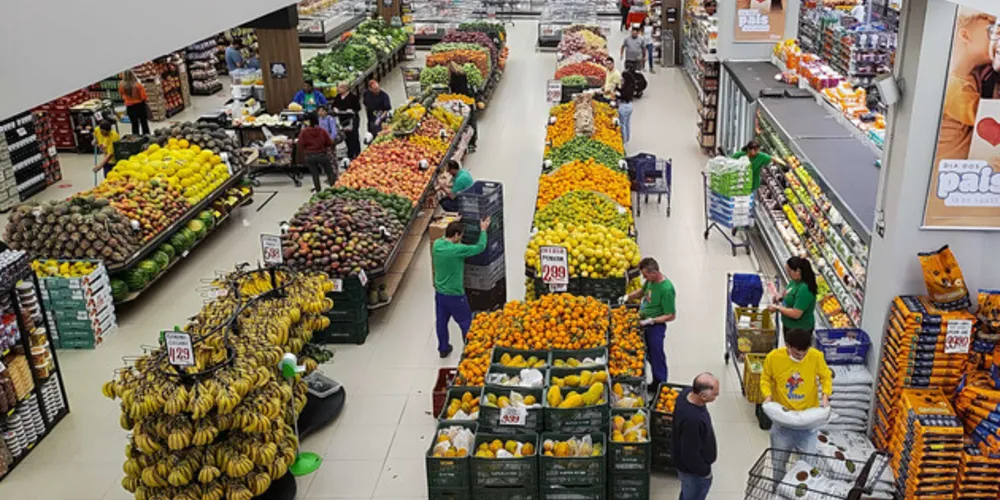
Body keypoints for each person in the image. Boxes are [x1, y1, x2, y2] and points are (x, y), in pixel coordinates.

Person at [760, 328, 832, 484]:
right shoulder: (774, 358)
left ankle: (803, 493)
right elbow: (765, 378)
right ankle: (778, 489)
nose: (801, 357)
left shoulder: (816, 356)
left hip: (807, 423)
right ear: (787, 346)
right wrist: (768, 396)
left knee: (809, 465)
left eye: (804, 353)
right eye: (797, 354)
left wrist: (825, 397)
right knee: (778, 463)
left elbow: (826, 377)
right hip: (782, 421)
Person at [934, 11, 996, 165]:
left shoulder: (974, 74)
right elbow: (981, 115)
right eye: (990, 32)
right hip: (941, 173)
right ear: (965, 35)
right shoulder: (951, 84)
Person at [432, 217, 491, 357]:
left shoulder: (437, 244)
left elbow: (444, 236)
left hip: (440, 293)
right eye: (461, 235)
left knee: (441, 322)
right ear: (457, 235)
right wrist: (483, 230)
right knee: (466, 322)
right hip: (455, 294)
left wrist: (455, 223)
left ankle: (443, 348)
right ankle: (471, 351)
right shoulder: (457, 250)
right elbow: (479, 247)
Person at [620, 257, 676, 388]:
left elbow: (671, 315)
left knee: (656, 354)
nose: (645, 279)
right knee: (648, 354)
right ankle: (656, 380)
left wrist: (652, 321)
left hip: (655, 326)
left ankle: (661, 383)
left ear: (654, 273)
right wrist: (628, 297)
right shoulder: (651, 281)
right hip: (643, 321)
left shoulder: (667, 289)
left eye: (646, 275)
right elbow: (642, 291)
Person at [673, 373, 719, 500]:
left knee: (686, 492)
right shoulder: (692, 420)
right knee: (693, 494)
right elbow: (689, 454)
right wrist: (704, 472)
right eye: (715, 394)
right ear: (703, 396)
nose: (717, 396)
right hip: (693, 472)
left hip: (687, 466)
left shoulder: (686, 394)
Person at [768, 256, 818, 332]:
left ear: (798, 271)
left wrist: (777, 308)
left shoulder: (805, 289)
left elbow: (796, 314)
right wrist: (780, 297)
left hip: (799, 330)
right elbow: (789, 294)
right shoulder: (794, 282)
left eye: (789, 271)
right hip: (789, 326)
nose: (788, 274)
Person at [297, 112, 337, 192]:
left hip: (310, 156)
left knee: (315, 174)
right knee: (329, 172)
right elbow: (329, 143)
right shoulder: (322, 131)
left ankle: (318, 190)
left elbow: (300, 144)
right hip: (322, 155)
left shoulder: (304, 132)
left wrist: (305, 152)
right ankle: (333, 189)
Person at [449, 62, 478, 152]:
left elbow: (454, 89)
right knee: (472, 120)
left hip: (460, 100)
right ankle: (473, 142)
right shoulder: (462, 73)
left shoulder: (453, 76)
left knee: (465, 121)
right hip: (468, 98)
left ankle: (467, 142)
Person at [331, 82, 362, 160]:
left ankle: (357, 154)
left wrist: (351, 110)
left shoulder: (353, 97)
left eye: (339, 87)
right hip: (342, 120)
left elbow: (358, 108)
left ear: (345, 88)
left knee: (354, 136)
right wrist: (335, 109)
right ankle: (350, 154)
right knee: (346, 137)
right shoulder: (338, 97)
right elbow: (334, 105)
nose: (338, 89)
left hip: (352, 120)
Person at [118, 71, 150, 136]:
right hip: (140, 106)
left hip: (130, 107)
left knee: (134, 124)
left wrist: (127, 99)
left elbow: (121, 95)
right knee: (144, 123)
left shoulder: (121, 85)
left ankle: (136, 138)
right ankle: (147, 136)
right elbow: (143, 97)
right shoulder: (138, 85)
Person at [618, 67, 637, 143]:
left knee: (622, 125)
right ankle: (628, 138)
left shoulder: (627, 87)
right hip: (629, 106)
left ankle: (624, 141)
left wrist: (617, 95)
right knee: (627, 123)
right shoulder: (631, 86)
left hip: (624, 107)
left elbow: (623, 95)